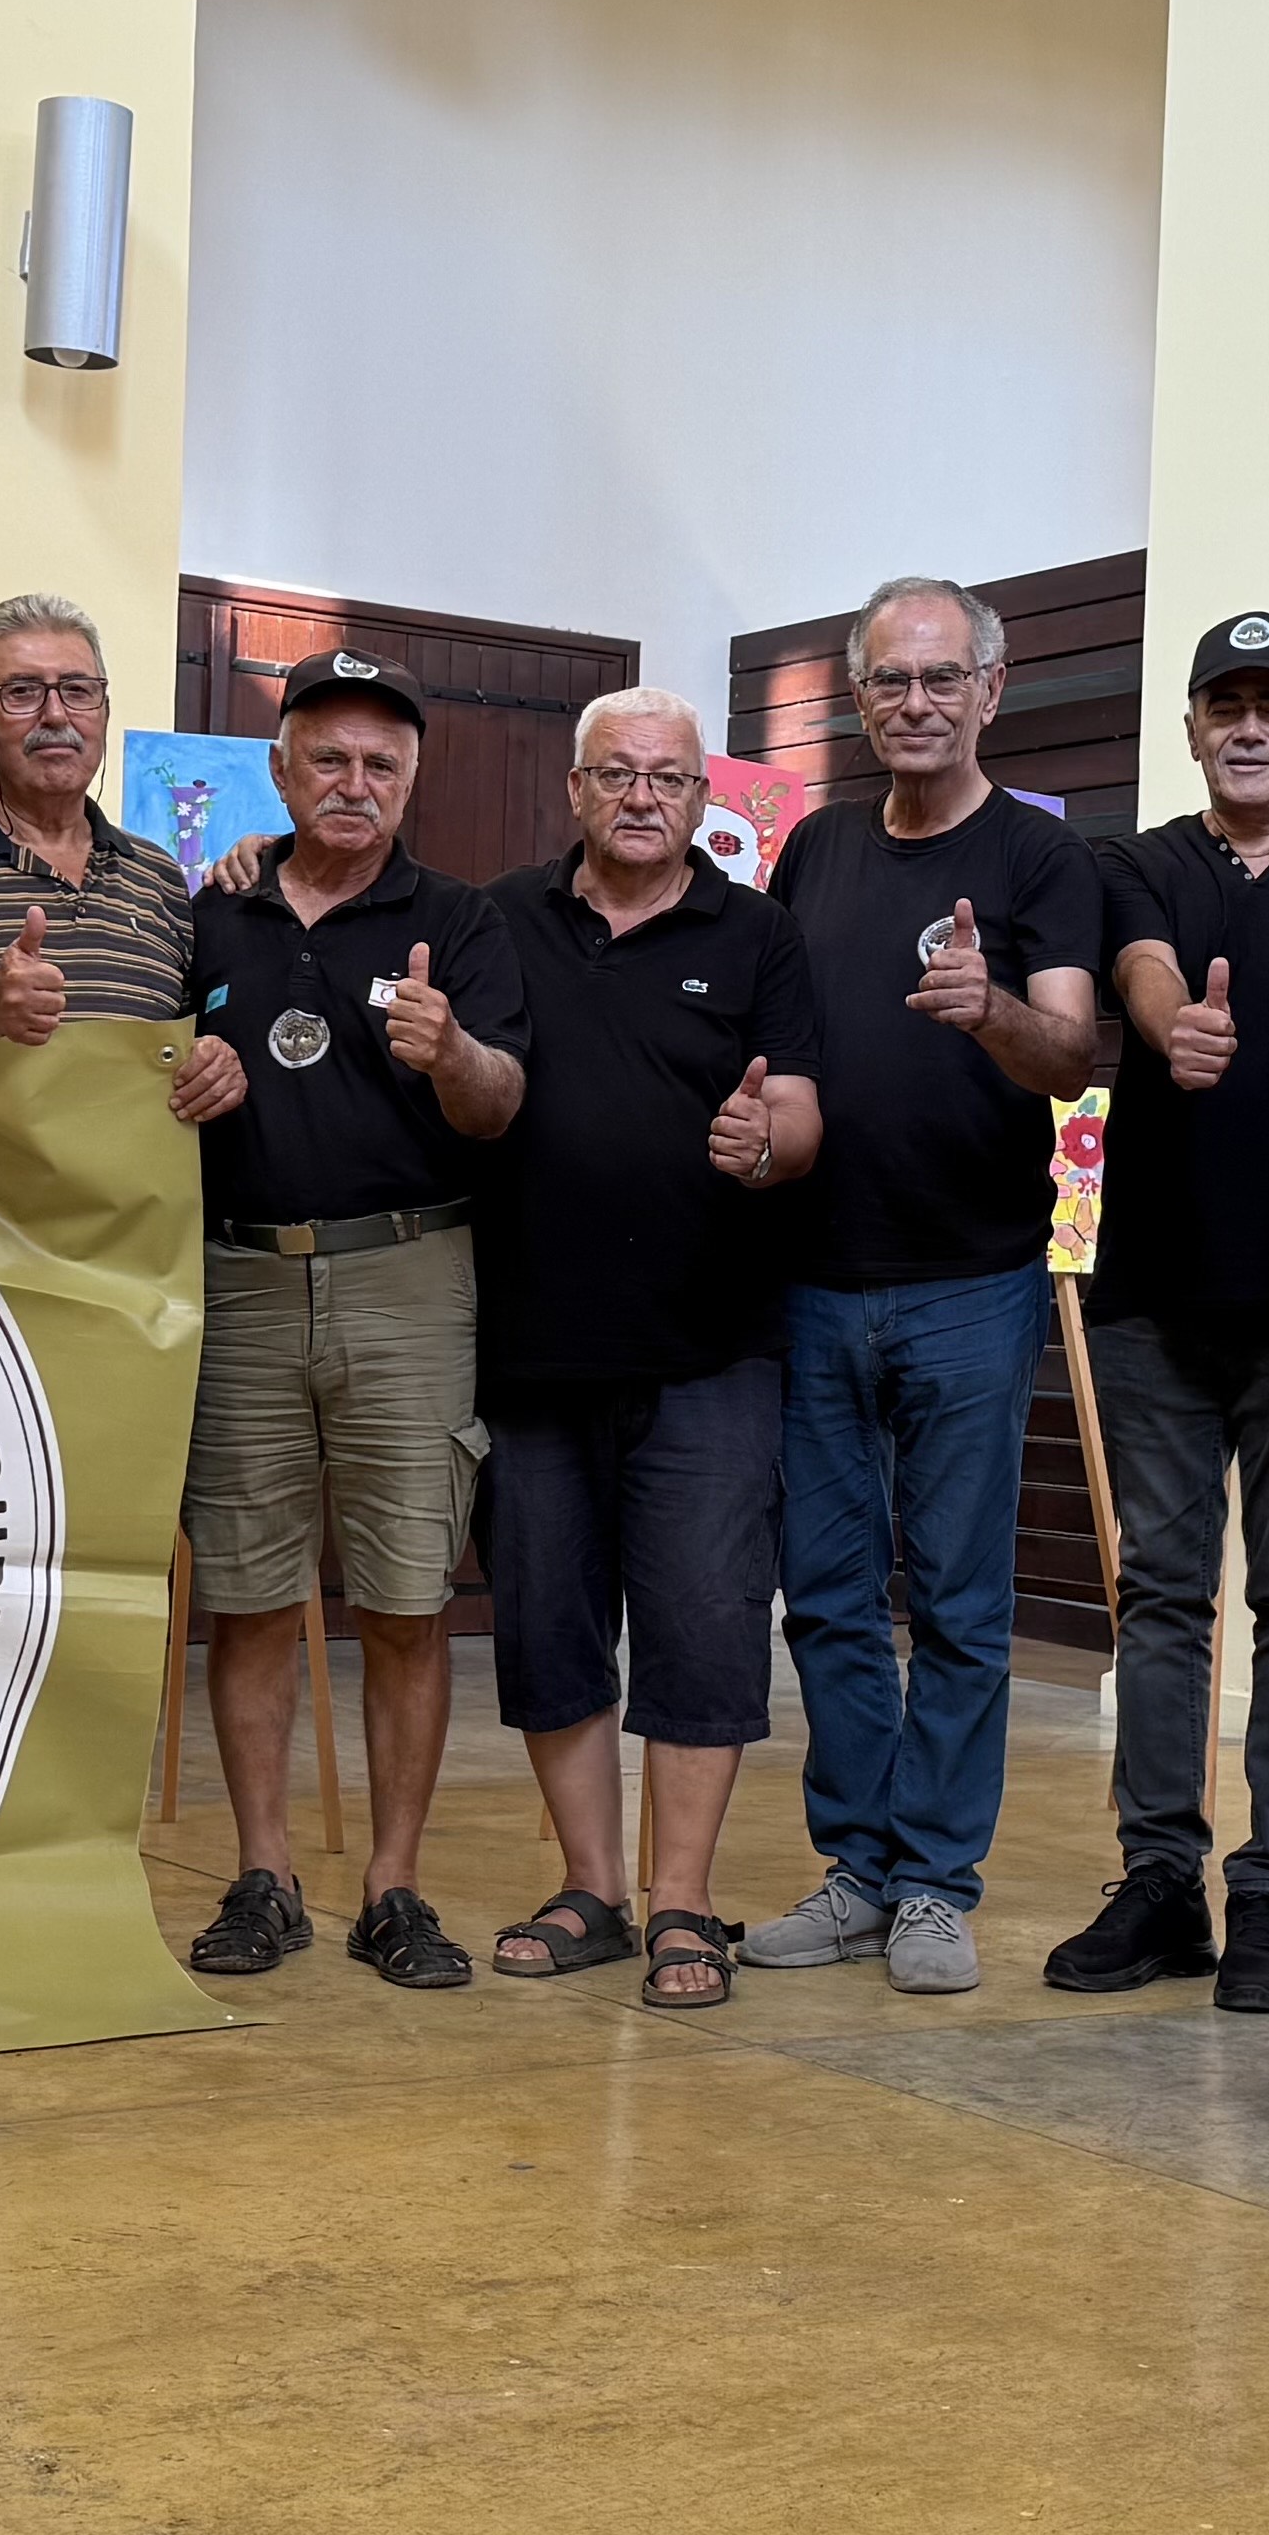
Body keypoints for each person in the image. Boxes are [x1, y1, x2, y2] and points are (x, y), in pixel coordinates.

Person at [1040, 613, 1269, 2018]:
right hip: (1153, 1295)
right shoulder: (1134, 860)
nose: (1250, 727)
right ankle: (1158, 1880)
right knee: (1161, 1595)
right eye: (1225, 705)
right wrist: (1169, 1027)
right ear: (1192, 726)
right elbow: (1141, 963)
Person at [745, 576, 1105, 1999]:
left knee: (958, 1601)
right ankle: (859, 1870)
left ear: (990, 691)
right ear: (857, 697)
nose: (915, 702)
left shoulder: (1039, 857)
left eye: (941, 677)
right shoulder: (816, 851)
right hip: (813, 1279)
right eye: (890, 679)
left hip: (972, 1281)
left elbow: (1071, 1054)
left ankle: (935, 1886)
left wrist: (988, 1008)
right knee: (829, 1599)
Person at [160, 653, 526, 1987]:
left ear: (412, 781)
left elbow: (499, 1105)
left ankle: (394, 1887)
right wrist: (181, 1078)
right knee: (249, 1593)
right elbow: (143, 1072)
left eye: (382, 764)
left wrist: (452, 1052)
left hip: (409, 1273)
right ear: (280, 769)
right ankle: (264, 1876)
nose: (354, 783)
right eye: (329, 758)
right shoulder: (213, 913)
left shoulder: (463, 922)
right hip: (241, 1277)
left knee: (408, 1596)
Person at [469, 688, 821, 2011]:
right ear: (574, 789)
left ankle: (683, 1901)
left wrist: (767, 1143)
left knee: (704, 1627)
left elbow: (801, 1106)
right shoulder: (499, 917)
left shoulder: (759, 933)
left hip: (712, 1348)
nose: (640, 796)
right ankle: (591, 1891)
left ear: (701, 801)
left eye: (667, 777)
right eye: (615, 773)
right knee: (548, 1627)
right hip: (534, 1346)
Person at [0, 594, 231, 1050]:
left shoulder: (158, 875)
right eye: (21, 692)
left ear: (104, 713)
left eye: (78, 690)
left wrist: (210, 1062)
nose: (56, 715)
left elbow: (181, 1039)